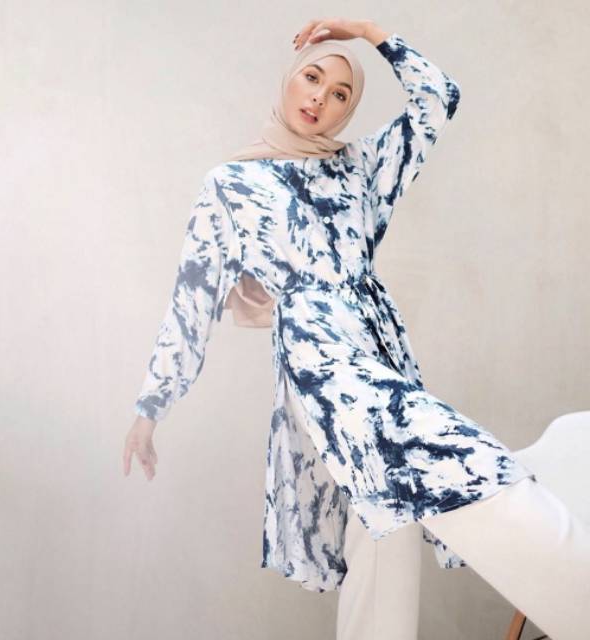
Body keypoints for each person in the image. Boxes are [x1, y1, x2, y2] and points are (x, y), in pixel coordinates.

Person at [124, 17, 590, 640]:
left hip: (378, 348)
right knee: (457, 457)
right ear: (290, 80)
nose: (320, 98)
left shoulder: (360, 168)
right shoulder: (231, 185)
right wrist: (151, 408)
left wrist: (369, 33)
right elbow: (192, 301)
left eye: (340, 92)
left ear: (349, 108)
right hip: (320, 363)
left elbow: (438, 98)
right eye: (312, 78)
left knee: (387, 523)